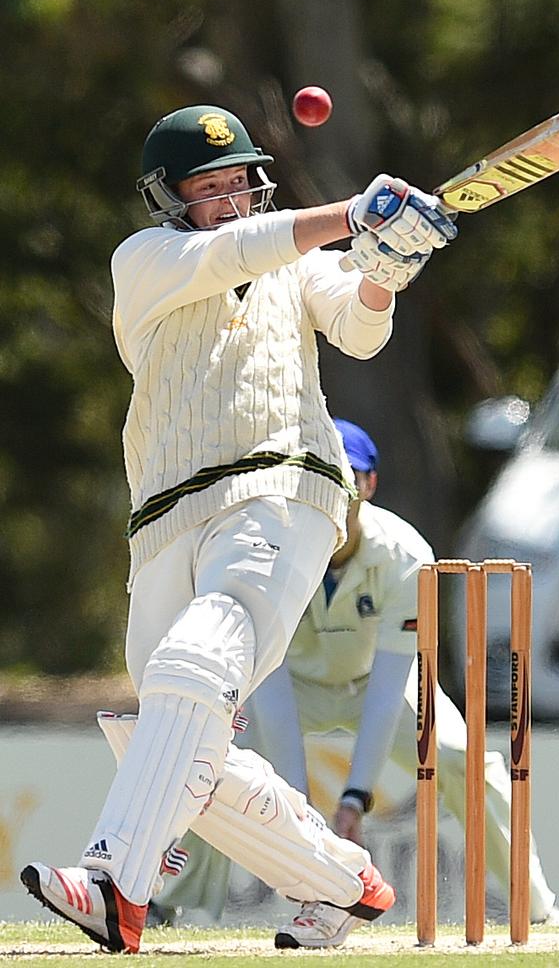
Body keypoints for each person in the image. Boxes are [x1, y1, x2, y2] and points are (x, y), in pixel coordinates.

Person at [20, 104, 458, 952]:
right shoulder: (146, 260)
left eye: (237, 182)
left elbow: (361, 332)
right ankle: (343, 884)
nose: (228, 199)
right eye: (207, 187)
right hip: (164, 515)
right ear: (170, 200)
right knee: (166, 733)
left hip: (283, 485)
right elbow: (232, 253)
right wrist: (349, 214)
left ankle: (115, 882)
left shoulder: (300, 261)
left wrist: (382, 267)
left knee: (199, 660)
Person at [152, 419, 559, 929]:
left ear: (369, 486)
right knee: (211, 761)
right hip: (288, 687)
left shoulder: (405, 555)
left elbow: (392, 687)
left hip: (376, 683)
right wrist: (302, 819)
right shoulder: (268, 548)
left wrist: (354, 800)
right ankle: (162, 902)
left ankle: (539, 912)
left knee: (468, 762)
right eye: (320, 480)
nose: (334, 500)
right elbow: (270, 687)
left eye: (346, 482)